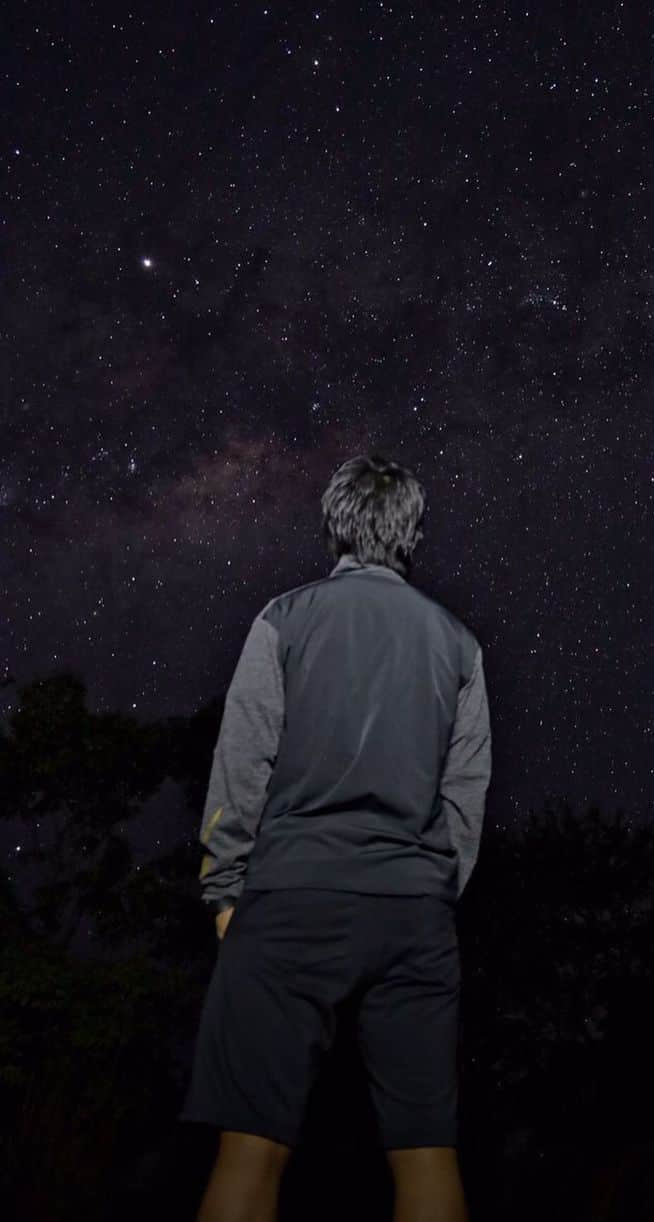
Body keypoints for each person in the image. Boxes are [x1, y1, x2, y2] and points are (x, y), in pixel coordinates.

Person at [178, 452, 492, 1222]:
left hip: (289, 903)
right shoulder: (459, 644)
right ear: (412, 532)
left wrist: (226, 895)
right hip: (413, 912)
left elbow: (241, 763)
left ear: (334, 526)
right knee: (426, 1154)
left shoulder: (282, 620)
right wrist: (431, 888)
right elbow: (465, 797)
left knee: (249, 1149)